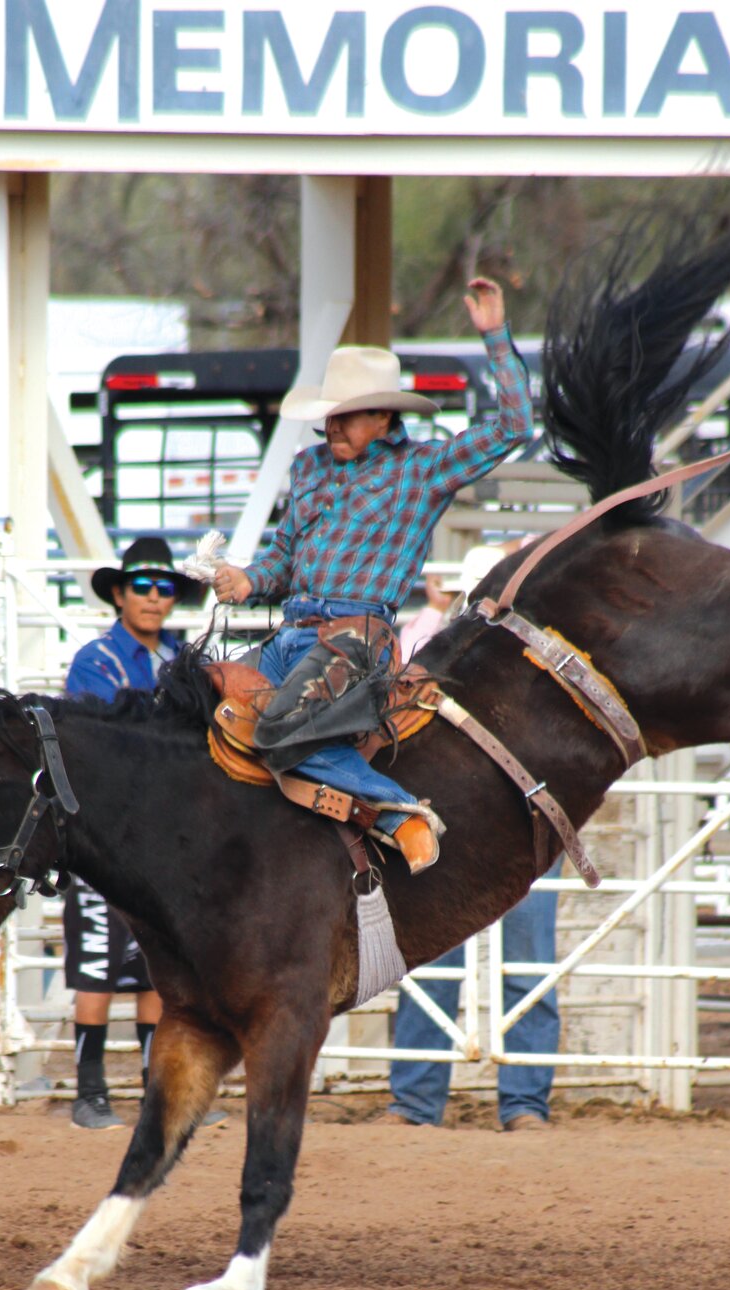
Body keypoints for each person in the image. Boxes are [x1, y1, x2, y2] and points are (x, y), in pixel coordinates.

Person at [212, 276, 533, 875]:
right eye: (328, 417)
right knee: (204, 704)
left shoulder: (422, 469)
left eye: (346, 417)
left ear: (384, 416)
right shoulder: (309, 466)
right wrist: (249, 581)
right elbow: (285, 554)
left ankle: (399, 812)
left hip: (355, 637)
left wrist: (495, 337)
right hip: (290, 635)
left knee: (280, 727)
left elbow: (514, 429)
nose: (331, 427)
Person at [386, 546, 562, 1131]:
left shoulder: (539, 654)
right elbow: (401, 671)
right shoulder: (442, 645)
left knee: (519, 961)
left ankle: (509, 1102)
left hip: (518, 822)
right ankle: (445, 1101)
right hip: (466, 821)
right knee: (438, 958)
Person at [63, 536, 205, 1129]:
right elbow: (105, 740)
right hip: (107, 833)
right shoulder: (97, 659)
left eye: (164, 587)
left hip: (166, 837)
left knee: (157, 964)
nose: (153, 597)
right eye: (142, 586)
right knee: (99, 959)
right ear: (120, 594)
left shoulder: (180, 656)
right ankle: (89, 1092)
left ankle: (155, 1091)